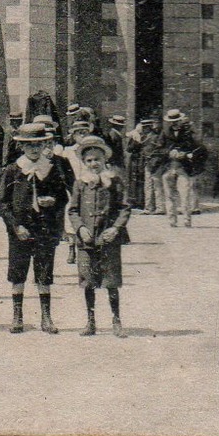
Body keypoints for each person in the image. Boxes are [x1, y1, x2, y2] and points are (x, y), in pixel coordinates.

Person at [1, 120, 74, 333]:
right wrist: (16, 227)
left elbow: (63, 197)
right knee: (18, 272)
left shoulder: (50, 169)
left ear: (44, 145)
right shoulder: (13, 170)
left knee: (44, 272)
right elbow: (3, 204)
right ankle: (17, 316)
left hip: (44, 228)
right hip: (20, 231)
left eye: (37, 145)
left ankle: (46, 317)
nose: (34, 149)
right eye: (29, 145)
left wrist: (54, 201)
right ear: (22, 147)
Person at [68, 134, 131, 337]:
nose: (93, 163)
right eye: (89, 160)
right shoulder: (80, 183)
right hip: (87, 240)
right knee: (88, 281)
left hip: (108, 239)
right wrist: (80, 228)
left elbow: (124, 208)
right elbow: (73, 210)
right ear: (84, 162)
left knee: (111, 281)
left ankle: (116, 320)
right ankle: (91, 320)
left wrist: (115, 229)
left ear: (105, 159)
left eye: (97, 159)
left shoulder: (113, 181)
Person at [157, 109, 207, 228]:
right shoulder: (164, 133)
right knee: (169, 195)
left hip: (183, 168)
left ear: (180, 120)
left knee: (185, 195)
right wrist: (169, 152)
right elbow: (158, 149)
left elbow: (199, 148)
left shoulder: (188, 133)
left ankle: (186, 220)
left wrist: (185, 154)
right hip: (168, 167)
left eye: (176, 121)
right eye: (172, 121)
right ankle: (172, 221)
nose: (174, 123)